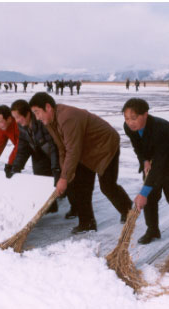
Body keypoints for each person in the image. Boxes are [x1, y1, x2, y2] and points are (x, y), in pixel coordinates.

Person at [29, 92, 132, 234]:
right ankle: (87, 223)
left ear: (48, 107)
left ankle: (128, 210)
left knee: (107, 186)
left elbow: (72, 150)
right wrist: (63, 175)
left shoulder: (67, 117)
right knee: (80, 185)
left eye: (37, 112)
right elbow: (61, 148)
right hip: (85, 148)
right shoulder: (50, 122)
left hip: (105, 145)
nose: (37, 117)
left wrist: (64, 178)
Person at [123, 98, 169, 244]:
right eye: (127, 118)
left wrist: (143, 192)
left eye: (134, 118)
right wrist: (144, 160)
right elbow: (137, 147)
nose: (130, 122)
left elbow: (161, 162)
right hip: (154, 160)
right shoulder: (129, 127)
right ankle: (152, 230)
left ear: (145, 114)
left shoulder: (161, 129)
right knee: (151, 198)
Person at [6, 100, 65, 214]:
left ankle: (75, 207)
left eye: (18, 117)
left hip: (56, 152)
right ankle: (50, 205)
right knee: (40, 176)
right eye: (15, 118)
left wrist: (56, 168)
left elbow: (54, 147)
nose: (16, 121)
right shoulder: (21, 125)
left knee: (63, 177)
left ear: (28, 114)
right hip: (40, 152)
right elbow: (22, 148)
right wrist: (16, 167)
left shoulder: (42, 122)